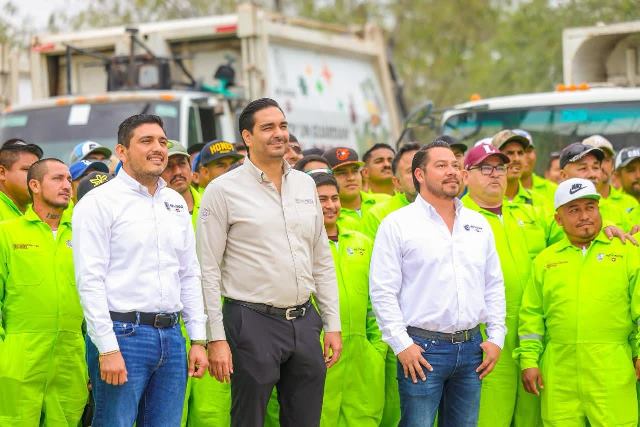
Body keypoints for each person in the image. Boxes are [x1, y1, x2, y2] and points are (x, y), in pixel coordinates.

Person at [197, 98, 342, 427]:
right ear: (247, 137)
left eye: (283, 126)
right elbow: (207, 269)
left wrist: (332, 324)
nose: (279, 133)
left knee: (305, 420)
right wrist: (215, 337)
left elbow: (321, 259)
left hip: (304, 321)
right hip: (251, 322)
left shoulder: (305, 184)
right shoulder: (222, 190)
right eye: (268, 127)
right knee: (249, 419)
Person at [72, 114, 208, 426]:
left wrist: (198, 339)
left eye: (162, 141)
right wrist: (107, 348)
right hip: (122, 335)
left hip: (172, 337)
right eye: (146, 141)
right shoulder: (99, 203)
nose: (158, 148)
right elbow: (90, 280)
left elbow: (188, 273)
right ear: (121, 151)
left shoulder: (174, 203)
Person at [369, 141, 506, 427]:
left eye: (455, 165)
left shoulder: (478, 224)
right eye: (441, 166)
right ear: (419, 174)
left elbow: (493, 284)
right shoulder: (397, 224)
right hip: (421, 349)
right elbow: (383, 291)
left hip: (472, 348)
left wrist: (496, 337)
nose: (452, 171)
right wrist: (402, 344)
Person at [514, 177, 640, 426]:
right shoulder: (545, 261)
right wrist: (528, 360)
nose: (584, 216)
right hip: (560, 374)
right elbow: (532, 316)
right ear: (558, 219)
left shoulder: (627, 252)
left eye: (590, 207)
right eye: (573, 210)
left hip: (612, 370)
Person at [461, 143, 546, 427]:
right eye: (485, 168)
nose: (495, 174)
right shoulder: (457, 218)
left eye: (500, 167)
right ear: (466, 175)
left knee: (531, 418)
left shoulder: (527, 214)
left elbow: (573, 234)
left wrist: (608, 227)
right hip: (485, 337)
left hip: (531, 333)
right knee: (488, 418)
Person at [0, 158, 88, 425]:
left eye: (68, 179)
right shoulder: (7, 233)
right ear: (35, 185)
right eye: (57, 179)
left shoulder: (83, 235)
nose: (67, 186)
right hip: (18, 357)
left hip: (70, 357)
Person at [307, 171, 386, 426]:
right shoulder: (300, 246)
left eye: (335, 198)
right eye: (321, 199)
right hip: (320, 353)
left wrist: (377, 349)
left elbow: (377, 299)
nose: (330, 205)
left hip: (362, 356)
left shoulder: (363, 242)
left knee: (364, 419)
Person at [559, 142, 630, 231]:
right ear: (564, 175)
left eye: (595, 168)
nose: (592, 174)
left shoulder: (616, 209)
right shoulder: (549, 209)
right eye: (583, 168)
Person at [324, 146, 390, 228]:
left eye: (355, 171)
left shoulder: (386, 201)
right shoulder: (328, 216)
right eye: (341, 173)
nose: (351, 178)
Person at [583, 135, 638, 214]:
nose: (600, 165)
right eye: (593, 160)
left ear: (612, 165)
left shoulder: (630, 203)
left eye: (606, 159)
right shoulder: (570, 204)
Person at [0, 139, 43, 220]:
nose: (37, 177)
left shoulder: (40, 210)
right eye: (28, 170)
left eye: (39, 171)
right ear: (2, 173)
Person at [161, 141, 201, 228]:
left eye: (182, 163)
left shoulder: (209, 203)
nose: (177, 172)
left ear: (190, 167)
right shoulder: (154, 212)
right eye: (168, 166)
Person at [515, 129, 557, 205]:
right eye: (519, 152)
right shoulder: (497, 193)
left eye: (528, 151)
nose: (524, 157)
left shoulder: (554, 190)